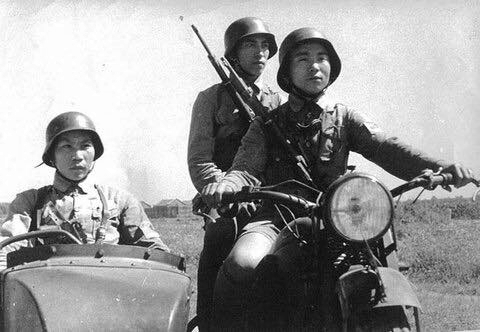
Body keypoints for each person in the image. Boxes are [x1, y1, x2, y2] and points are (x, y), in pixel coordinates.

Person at [201, 27, 477, 331]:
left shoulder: (344, 117)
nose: (315, 65)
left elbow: (387, 148)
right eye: (303, 59)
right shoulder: (266, 125)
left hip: (338, 220)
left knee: (377, 270)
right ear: (287, 72)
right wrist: (224, 186)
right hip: (276, 219)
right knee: (243, 262)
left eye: (322, 58)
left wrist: (442, 167)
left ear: (331, 68)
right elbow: (243, 169)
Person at [187, 17, 281, 331]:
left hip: (268, 193)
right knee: (219, 234)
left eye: (265, 45)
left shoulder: (274, 100)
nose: (261, 52)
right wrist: (222, 189)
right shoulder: (210, 98)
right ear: (233, 53)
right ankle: (209, 320)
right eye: (251, 44)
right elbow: (200, 160)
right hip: (225, 193)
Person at [0, 111, 169, 268]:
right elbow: (6, 248)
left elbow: (155, 252)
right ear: (52, 156)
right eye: (67, 146)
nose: (77, 156)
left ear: (95, 152)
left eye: (85, 146)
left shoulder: (120, 200)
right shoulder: (30, 202)